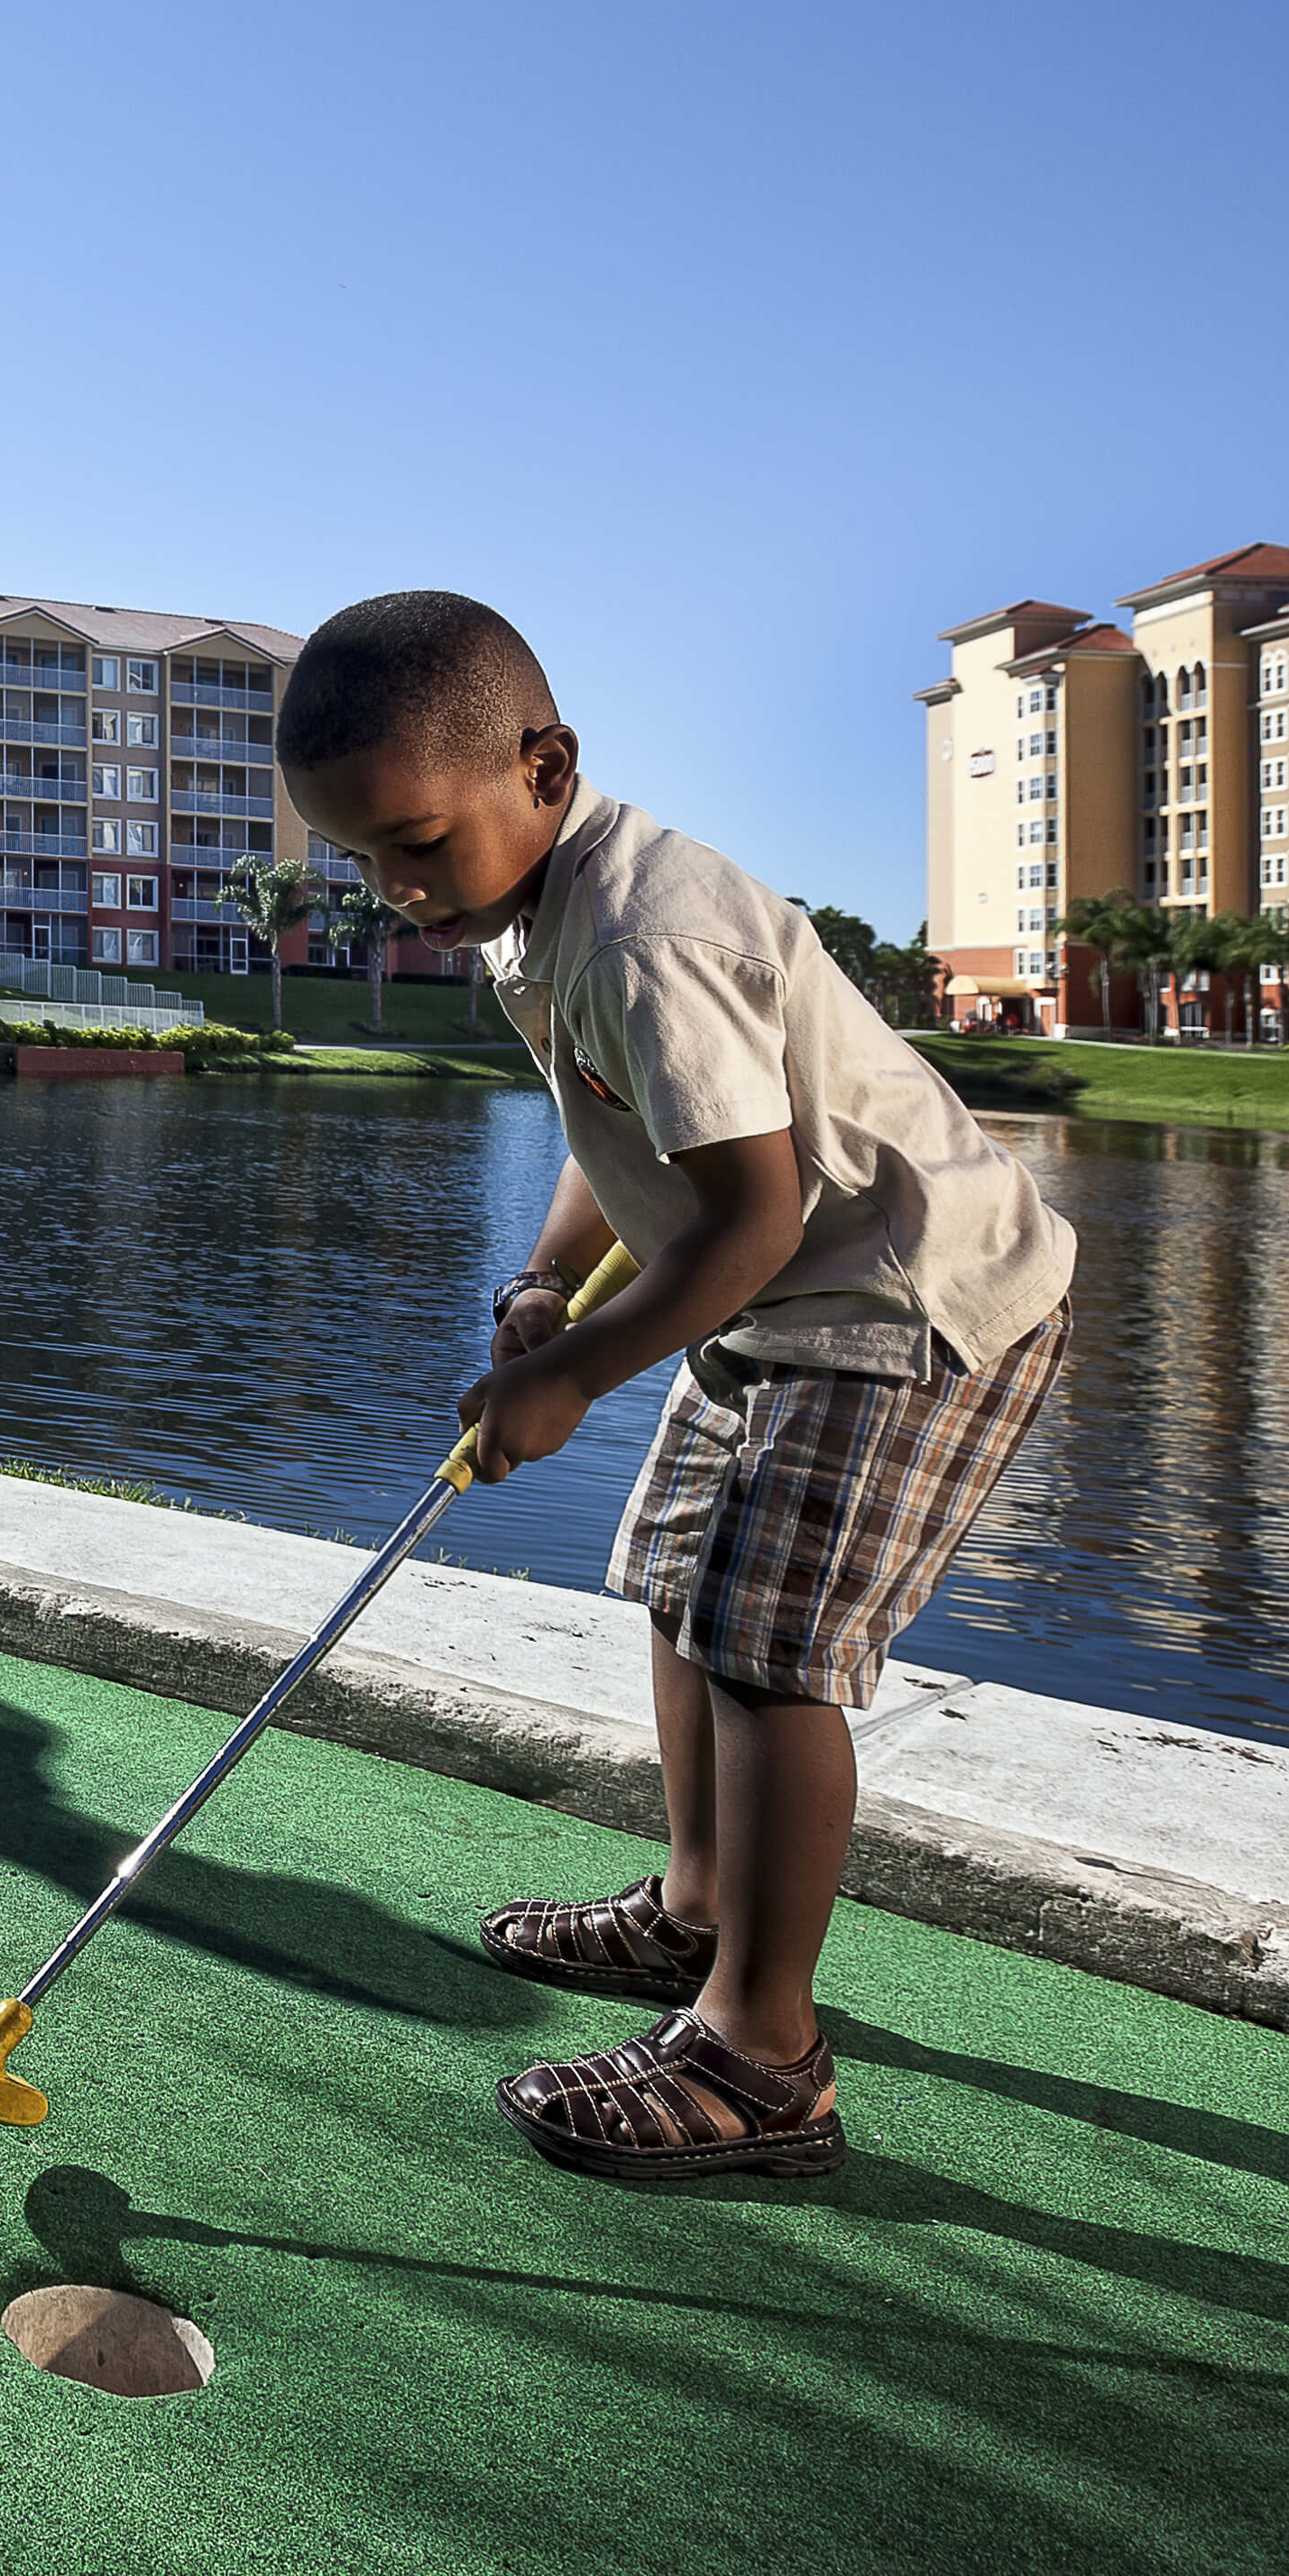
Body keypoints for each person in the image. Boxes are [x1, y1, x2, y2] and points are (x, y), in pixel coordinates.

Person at [278, 590, 1072, 2183]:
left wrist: (569, 1374)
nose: (396, 888)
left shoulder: (646, 933)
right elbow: (617, 1134)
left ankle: (762, 2055)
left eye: (417, 844)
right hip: (774, 1294)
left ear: (545, 765)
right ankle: (700, 1908)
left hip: (901, 1298)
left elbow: (753, 1210)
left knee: (776, 1652)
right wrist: (543, 1285)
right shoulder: (530, 915)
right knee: (679, 1589)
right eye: (364, 861)